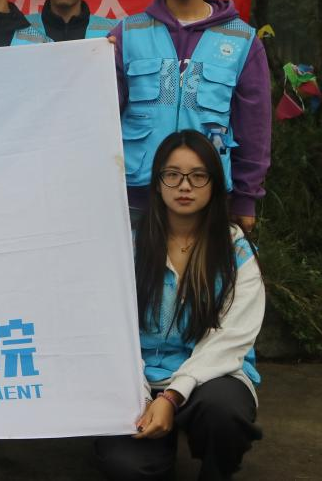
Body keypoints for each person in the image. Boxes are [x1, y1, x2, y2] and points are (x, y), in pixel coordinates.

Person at [95, 130, 264, 481]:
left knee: (224, 413)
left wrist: (172, 396)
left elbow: (231, 339)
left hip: (210, 377)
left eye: (198, 176)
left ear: (214, 184)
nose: (184, 185)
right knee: (127, 467)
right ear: (157, 183)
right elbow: (111, 328)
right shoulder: (128, 246)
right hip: (138, 377)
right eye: (172, 174)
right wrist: (144, 394)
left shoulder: (236, 251)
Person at [111, 0, 271, 233]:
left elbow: (255, 127)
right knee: (134, 265)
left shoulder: (242, 40)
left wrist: (246, 198)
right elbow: (102, 113)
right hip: (136, 194)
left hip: (206, 192)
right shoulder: (127, 34)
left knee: (199, 266)